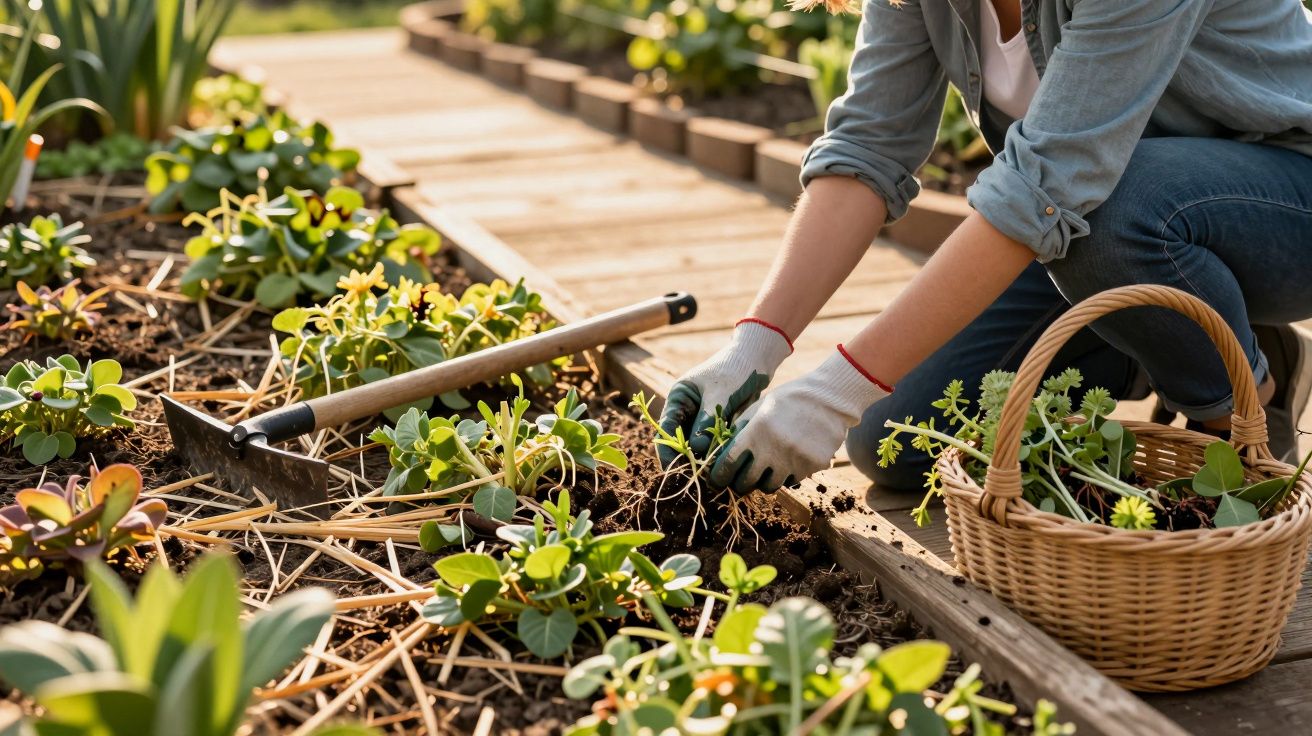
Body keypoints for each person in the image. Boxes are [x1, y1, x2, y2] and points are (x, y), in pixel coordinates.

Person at [658, 0, 1312, 495]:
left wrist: (830, 389)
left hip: (1285, 195)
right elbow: (867, 147)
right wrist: (755, 348)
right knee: (894, 439)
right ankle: (1166, 340)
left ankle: (1240, 402)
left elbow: (1049, 183)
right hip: (1104, 221)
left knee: (1102, 207)